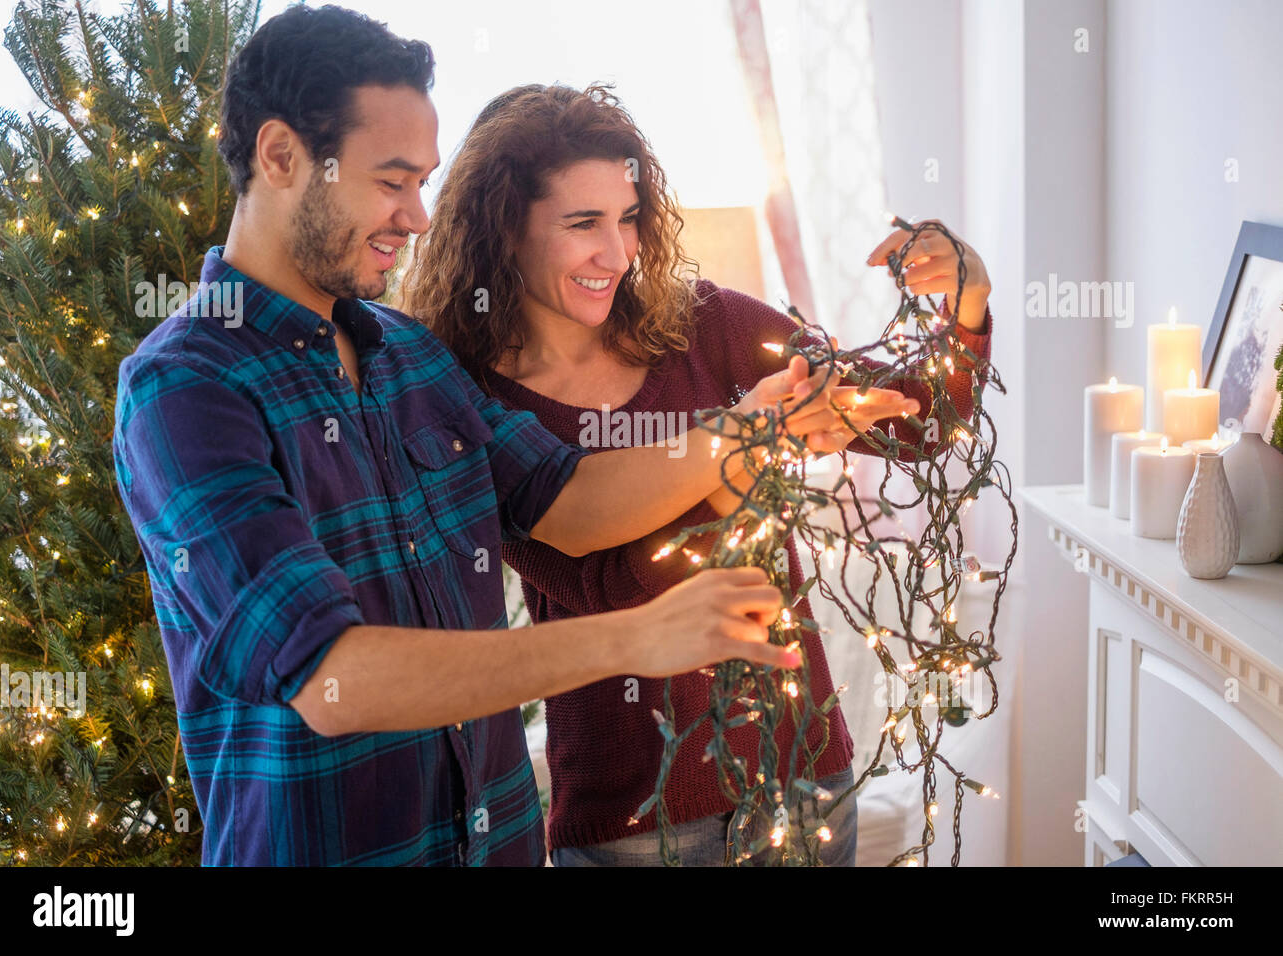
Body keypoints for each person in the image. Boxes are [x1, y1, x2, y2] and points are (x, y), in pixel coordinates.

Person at [110, 5, 891, 867]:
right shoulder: (185, 388)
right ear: (282, 155)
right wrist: (637, 638)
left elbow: (568, 501)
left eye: (423, 183)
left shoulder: (408, 355)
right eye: (391, 180)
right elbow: (333, 680)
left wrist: (746, 429)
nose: (415, 216)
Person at [401, 83, 993, 866]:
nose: (616, 254)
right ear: (504, 228)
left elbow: (920, 423)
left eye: (629, 219)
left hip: (804, 779)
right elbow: (615, 591)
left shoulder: (706, 326)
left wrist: (969, 297)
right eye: (583, 224)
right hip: (634, 820)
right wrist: (743, 459)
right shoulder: (472, 401)